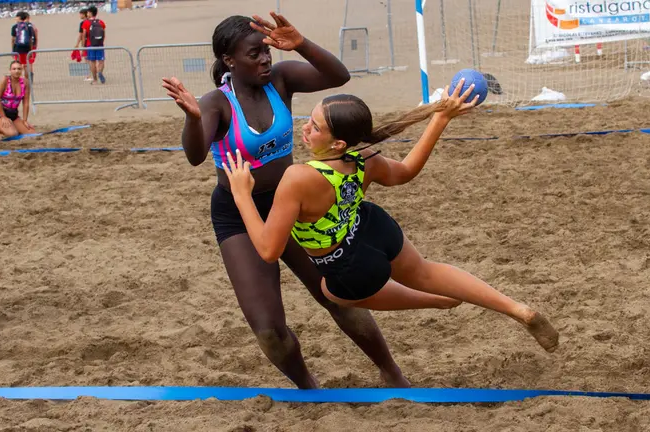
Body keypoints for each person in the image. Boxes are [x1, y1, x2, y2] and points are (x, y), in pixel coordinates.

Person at [161, 13, 411, 389]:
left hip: (291, 203)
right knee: (269, 331)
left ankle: (392, 372)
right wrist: (193, 119)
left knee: (337, 297)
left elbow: (338, 77)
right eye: (254, 54)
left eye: (266, 50)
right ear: (229, 60)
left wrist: (301, 44)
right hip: (238, 214)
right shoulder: (217, 103)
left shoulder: (280, 80)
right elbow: (195, 156)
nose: (265, 59)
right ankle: (309, 389)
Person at [220, 83, 560, 353]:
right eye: (309, 119)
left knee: (332, 292)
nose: (305, 128)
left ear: (338, 143)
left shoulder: (298, 178)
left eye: (315, 126)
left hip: (347, 265)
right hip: (372, 228)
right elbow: (406, 172)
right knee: (425, 271)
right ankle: (517, 309)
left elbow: (268, 250)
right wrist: (440, 119)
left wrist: (241, 195)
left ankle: (437, 301)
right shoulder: (365, 155)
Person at [0, 60, 34, 138]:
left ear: (21, 70)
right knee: (12, 134)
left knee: (31, 133)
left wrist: (25, 120)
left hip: (13, 114)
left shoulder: (25, 82)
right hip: (0, 112)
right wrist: (3, 116)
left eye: (19, 69)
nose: (16, 71)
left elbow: (25, 103)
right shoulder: (4, 81)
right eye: (14, 69)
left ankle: (6, 127)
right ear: (10, 70)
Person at [81, 5, 106, 85]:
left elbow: (84, 35)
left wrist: (83, 46)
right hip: (100, 44)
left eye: (88, 12)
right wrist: (101, 42)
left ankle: (95, 79)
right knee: (101, 61)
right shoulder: (101, 22)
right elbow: (104, 34)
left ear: (90, 13)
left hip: (90, 44)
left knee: (92, 62)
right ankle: (100, 72)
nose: (87, 14)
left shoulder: (86, 23)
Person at [10, 11, 37, 83]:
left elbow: (13, 39)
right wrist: (31, 50)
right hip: (27, 48)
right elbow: (31, 39)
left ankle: (18, 80)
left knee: (18, 64)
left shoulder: (14, 27)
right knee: (26, 65)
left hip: (17, 48)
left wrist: (12, 50)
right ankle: (27, 80)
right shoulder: (29, 26)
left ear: (19, 18)